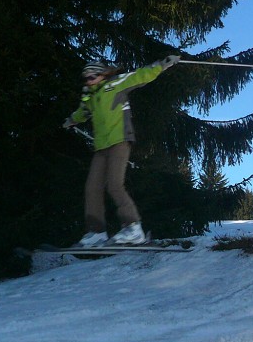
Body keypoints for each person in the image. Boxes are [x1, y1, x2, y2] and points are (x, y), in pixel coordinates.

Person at [63, 55, 180, 246]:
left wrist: (162, 64)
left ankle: (133, 228)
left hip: (119, 141)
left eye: (92, 76)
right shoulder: (90, 97)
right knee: (92, 188)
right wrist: (71, 120)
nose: (89, 81)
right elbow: (82, 113)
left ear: (102, 74)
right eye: (86, 78)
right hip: (101, 147)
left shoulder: (116, 83)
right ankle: (96, 232)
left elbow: (141, 75)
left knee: (115, 185)